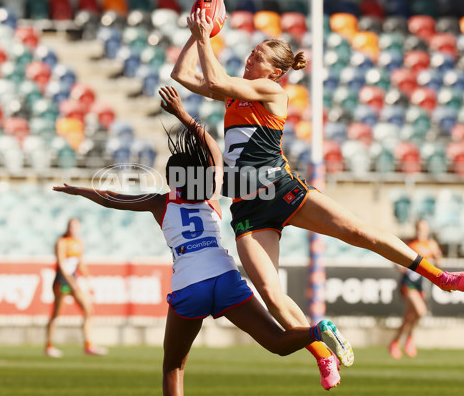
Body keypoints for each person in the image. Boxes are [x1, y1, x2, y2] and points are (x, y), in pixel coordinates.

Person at [170, 8, 464, 390]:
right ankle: (322, 352)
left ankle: (438, 276)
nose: (250, 56)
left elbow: (214, 76)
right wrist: (194, 34)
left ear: (275, 71)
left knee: (360, 233)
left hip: (282, 190)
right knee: (271, 294)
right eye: (251, 52)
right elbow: (181, 75)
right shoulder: (234, 97)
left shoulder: (271, 91)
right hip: (247, 208)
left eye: (258, 55)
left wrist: (204, 35)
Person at [53, 86, 353, 395]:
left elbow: (113, 198)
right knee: (277, 342)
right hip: (225, 278)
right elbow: (213, 149)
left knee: (173, 366)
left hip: (190, 284)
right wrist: (183, 115)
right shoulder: (212, 196)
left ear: (173, 179)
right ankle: (318, 330)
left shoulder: (161, 202)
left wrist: (79, 190)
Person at [45, 217, 107, 357]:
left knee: (88, 309)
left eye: (75, 226)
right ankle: (49, 345)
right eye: (71, 226)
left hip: (73, 281)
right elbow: (61, 263)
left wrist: (87, 278)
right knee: (57, 313)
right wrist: (72, 282)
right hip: (63, 281)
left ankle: (88, 344)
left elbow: (79, 263)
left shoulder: (79, 243)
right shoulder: (61, 242)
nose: (73, 228)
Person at [389, 219, 442, 359]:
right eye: (418, 228)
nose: (420, 231)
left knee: (409, 318)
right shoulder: (410, 243)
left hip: (421, 284)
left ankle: (395, 341)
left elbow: (438, 263)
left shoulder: (431, 244)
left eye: (423, 229)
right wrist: (400, 267)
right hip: (408, 283)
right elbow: (395, 258)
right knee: (421, 310)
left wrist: (437, 258)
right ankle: (409, 337)